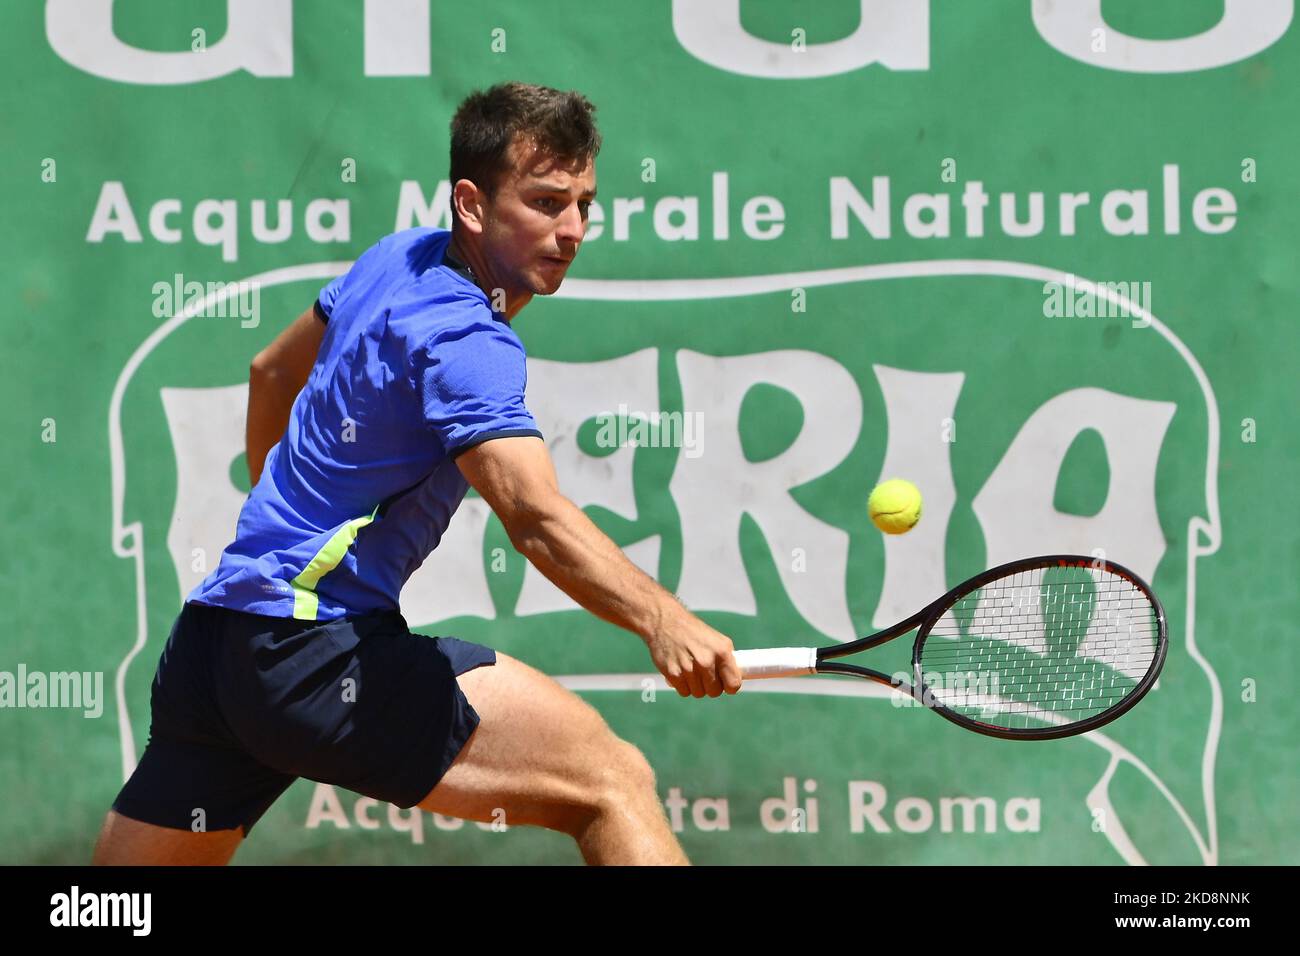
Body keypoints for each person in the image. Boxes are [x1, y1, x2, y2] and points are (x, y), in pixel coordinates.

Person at [92, 81, 743, 867]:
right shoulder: (468, 340)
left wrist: (288, 523)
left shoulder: (394, 257)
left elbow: (268, 373)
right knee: (611, 781)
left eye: (584, 205)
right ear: (472, 203)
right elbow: (533, 517)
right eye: (543, 203)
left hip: (219, 647)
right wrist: (662, 618)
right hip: (313, 654)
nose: (570, 230)